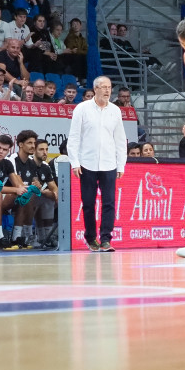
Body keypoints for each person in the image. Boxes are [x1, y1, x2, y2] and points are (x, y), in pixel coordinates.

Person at [67, 76, 126, 252]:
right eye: (103, 87)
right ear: (95, 89)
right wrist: (75, 162)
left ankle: (106, 238)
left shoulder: (115, 110)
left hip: (109, 163)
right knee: (88, 203)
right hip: (87, 162)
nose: (107, 91)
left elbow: (120, 139)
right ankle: (91, 238)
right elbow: (74, 137)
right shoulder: (82, 109)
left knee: (109, 202)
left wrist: (120, 164)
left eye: (109, 87)